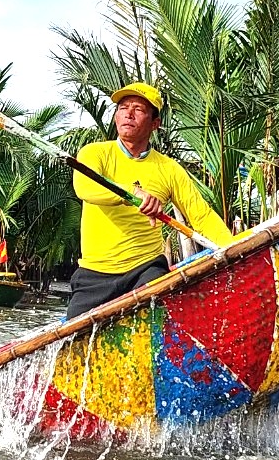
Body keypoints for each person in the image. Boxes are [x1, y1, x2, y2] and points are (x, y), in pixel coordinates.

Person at [67, 81, 233, 320]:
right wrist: (131, 194)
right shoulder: (94, 153)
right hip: (95, 274)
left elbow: (201, 216)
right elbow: (85, 188)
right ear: (115, 116)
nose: (129, 114)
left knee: (157, 307)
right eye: (123, 108)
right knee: (74, 335)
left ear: (155, 123)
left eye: (139, 109)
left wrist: (233, 248)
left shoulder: (169, 169)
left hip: (145, 268)